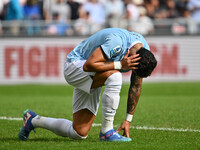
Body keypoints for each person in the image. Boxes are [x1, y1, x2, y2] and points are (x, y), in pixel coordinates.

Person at [18, 28, 157, 142]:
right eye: (133, 69)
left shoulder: (144, 50)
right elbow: (88, 65)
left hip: (95, 74)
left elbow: (136, 86)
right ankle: (107, 132)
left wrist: (128, 120)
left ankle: (33, 120)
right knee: (115, 76)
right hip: (75, 66)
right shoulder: (117, 42)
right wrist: (120, 64)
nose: (131, 71)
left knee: (79, 132)